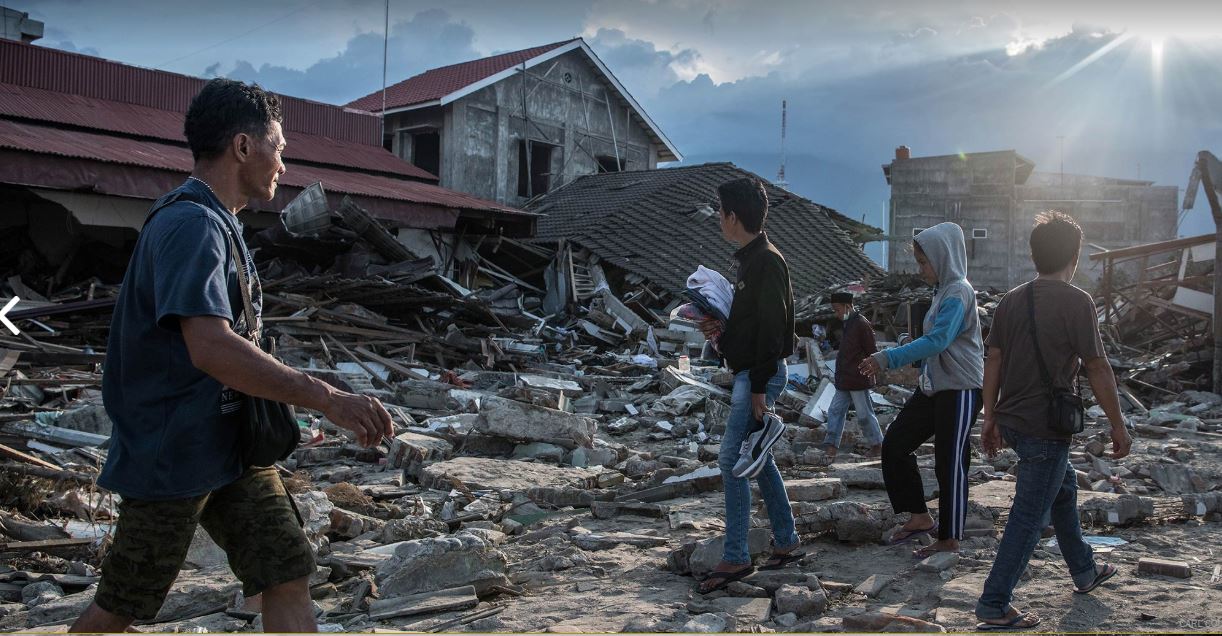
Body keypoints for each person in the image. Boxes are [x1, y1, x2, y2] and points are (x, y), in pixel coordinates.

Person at [71, 79, 393, 633]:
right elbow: (212, 347)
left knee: (287, 569)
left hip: (228, 446)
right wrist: (328, 399)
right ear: (244, 147)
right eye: (280, 148)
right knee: (122, 604)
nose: (283, 165)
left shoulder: (220, 222)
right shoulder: (191, 225)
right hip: (173, 451)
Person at [974, 212, 1132, 630]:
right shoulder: (1077, 301)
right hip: (1047, 427)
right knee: (1028, 516)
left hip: (1013, 420)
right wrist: (1118, 424)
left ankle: (1084, 570)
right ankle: (993, 602)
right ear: (1074, 256)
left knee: (1063, 489)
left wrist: (990, 417)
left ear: (1033, 253)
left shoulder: (1012, 299)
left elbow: (993, 359)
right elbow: (1097, 367)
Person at [697, 177, 800, 593]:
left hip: (760, 374)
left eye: (720, 213)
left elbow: (774, 331)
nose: (719, 220)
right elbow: (753, 325)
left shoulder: (766, 261)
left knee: (732, 461)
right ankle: (787, 543)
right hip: (752, 371)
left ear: (733, 216)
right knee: (756, 460)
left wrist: (758, 387)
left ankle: (737, 557)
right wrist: (719, 330)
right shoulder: (749, 261)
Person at [859, 222, 983, 558]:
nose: (920, 269)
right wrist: (908, 349)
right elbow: (937, 343)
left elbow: (939, 340)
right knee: (896, 444)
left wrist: (889, 358)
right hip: (935, 387)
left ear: (942, 258)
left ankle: (949, 537)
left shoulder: (958, 291)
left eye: (923, 262)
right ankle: (919, 516)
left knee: (949, 462)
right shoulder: (943, 291)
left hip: (959, 389)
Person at [822, 291, 883, 461]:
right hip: (845, 379)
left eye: (837, 310)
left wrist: (871, 370)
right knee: (835, 410)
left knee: (864, 414)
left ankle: (877, 445)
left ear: (847, 306)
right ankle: (831, 447)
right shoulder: (849, 323)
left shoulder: (862, 324)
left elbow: (872, 352)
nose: (837, 314)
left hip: (858, 378)